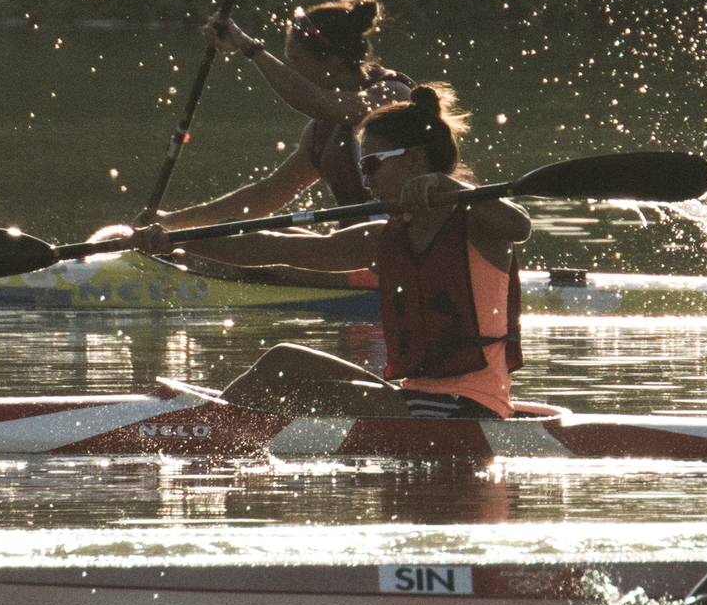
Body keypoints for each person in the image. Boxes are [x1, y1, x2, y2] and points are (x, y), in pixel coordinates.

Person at [125, 86, 529, 419]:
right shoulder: (382, 238)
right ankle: (210, 425)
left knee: (313, 391)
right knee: (284, 360)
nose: (364, 180)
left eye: (371, 165)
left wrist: (448, 188)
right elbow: (274, 249)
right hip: (413, 398)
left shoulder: (478, 224)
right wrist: (175, 239)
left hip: (471, 409)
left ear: (416, 159)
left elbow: (520, 225)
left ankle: (203, 429)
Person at [148, 0, 414, 229]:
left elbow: (319, 102)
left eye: (297, 64)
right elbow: (266, 196)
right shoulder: (321, 132)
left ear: (332, 61)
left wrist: (249, 48)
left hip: (400, 254)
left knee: (255, 246)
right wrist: (169, 222)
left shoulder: (392, 96)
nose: (292, 76)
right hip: (354, 254)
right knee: (238, 232)